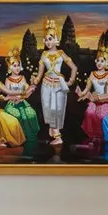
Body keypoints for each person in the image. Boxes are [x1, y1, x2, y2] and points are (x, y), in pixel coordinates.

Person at [34, 21, 80, 153]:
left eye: (51, 39)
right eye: (46, 39)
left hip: (59, 85)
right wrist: (34, 81)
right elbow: (40, 74)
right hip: (46, 85)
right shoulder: (44, 54)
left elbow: (74, 67)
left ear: (56, 39)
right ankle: (54, 133)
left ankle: (58, 137)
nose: (48, 42)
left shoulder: (61, 53)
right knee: (48, 110)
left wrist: (70, 81)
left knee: (57, 109)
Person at [1, 52, 44, 155]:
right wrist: (18, 97)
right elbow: (8, 94)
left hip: (23, 102)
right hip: (12, 104)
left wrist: (31, 88)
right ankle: (23, 140)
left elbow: (27, 92)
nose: (17, 68)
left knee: (31, 113)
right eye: (14, 66)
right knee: (20, 116)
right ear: (10, 67)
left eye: (18, 65)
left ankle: (32, 139)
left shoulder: (23, 78)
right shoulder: (8, 80)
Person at [76, 47, 108, 152]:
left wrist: (99, 98)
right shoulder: (92, 74)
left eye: (102, 61)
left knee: (102, 115)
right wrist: (81, 93)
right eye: (98, 60)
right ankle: (92, 137)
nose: (99, 63)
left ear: (106, 63)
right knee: (89, 111)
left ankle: (102, 137)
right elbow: (86, 90)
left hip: (104, 100)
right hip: (94, 100)